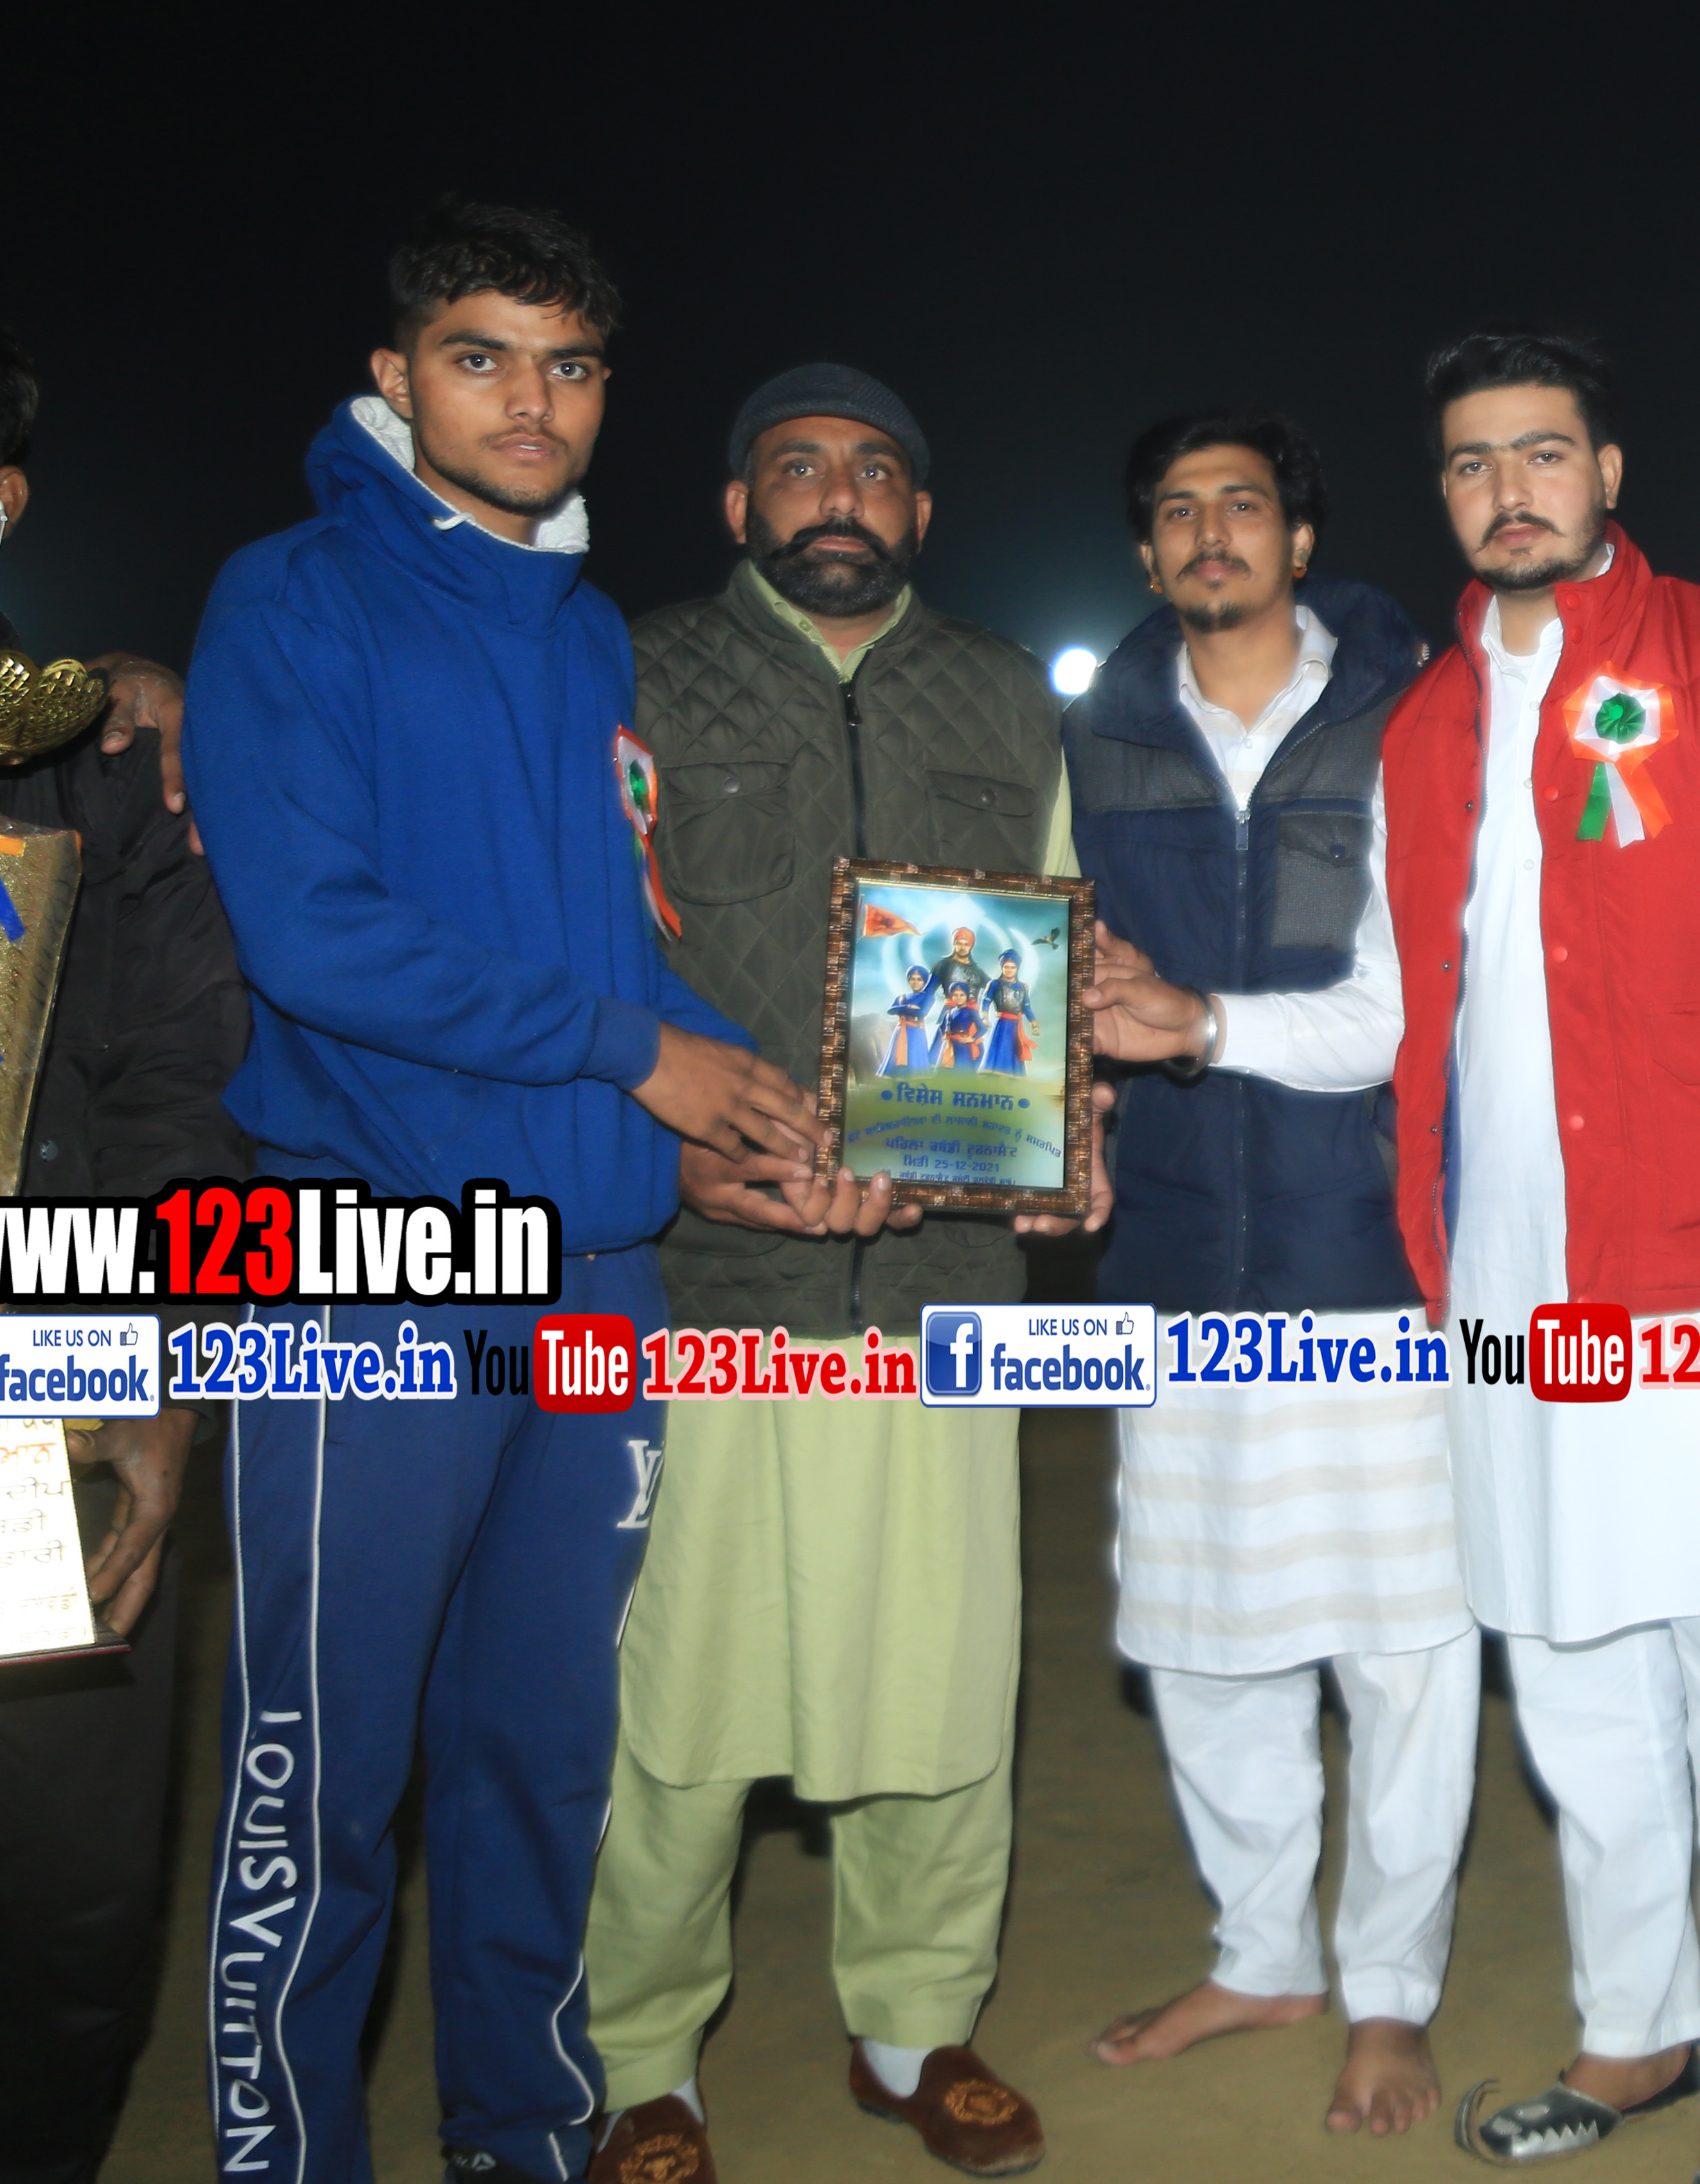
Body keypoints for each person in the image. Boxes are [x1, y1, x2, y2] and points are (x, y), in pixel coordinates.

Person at [183, 200, 814, 2184]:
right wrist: (637, 1054)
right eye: (482, 356)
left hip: (594, 1277)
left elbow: (621, 941)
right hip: (374, 1262)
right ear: (396, 376)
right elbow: (315, 936)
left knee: (540, 1765)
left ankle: (522, 2140)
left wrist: (751, 1102)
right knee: (325, 1779)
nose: (532, 400)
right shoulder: (293, 599)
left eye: (570, 365)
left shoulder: (587, 631)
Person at [1382, 327, 1700, 2184]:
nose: (1506, 488)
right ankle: (1636, 2024)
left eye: (1542, 452)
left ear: (1607, 473)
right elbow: (1397, 1003)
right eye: (1470, 460)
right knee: (1572, 1669)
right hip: (1509, 1288)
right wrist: (1187, 1022)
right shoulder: (1425, 723)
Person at [582, 363, 1095, 2184]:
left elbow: (1048, 943)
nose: (837, 494)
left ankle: (914, 2024)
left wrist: (1058, 1126)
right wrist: (659, 1141)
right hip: (711, 1276)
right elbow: (586, 947)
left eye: (874, 469)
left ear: (919, 511)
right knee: (679, 1694)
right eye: (795, 467)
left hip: (939, 1287)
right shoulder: (632, 670)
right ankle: (641, 2057)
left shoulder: (1002, 688)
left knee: (941, 1679)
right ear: (740, 505)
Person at [1064, 407, 1472, 2137]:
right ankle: (1260, 1953)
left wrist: (1198, 1024)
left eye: (1243, 503)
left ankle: (1387, 1986)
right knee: (1203, 1632)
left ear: (1300, 540)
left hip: (1364, 1249)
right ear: (1146, 550)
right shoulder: (1094, 733)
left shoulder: (1410, 712)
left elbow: (1408, 1009)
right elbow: (1042, 961)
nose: (1210, 530)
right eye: (1178, 509)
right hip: (1169, 1251)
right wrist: (1063, 1115)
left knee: (1402, 1645)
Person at [0, 293, 250, 2184]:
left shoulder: (106, 762)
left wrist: (153, 1377)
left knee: (65, 1929)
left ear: (5, 493)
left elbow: (175, 1090)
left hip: (18, 1414)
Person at [884, 962, 937, 1073]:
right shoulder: (902, 998)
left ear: (925, 981)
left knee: (914, 1058)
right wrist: (907, 1007)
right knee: (897, 1056)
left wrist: (901, 1010)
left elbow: (922, 1013)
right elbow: (891, 1010)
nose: (916, 982)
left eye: (919, 979)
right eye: (912, 979)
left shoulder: (928, 997)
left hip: (916, 1032)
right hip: (900, 1031)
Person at [985, 951, 1031, 1072]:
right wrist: (984, 1017)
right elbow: (986, 1001)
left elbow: (1027, 1007)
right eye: (1006, 967)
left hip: (1016, 1025)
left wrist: (1034, 1024)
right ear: (1002, 967)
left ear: (1017, 968)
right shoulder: (995, 984)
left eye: (1013, 967)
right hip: (1002, 1023)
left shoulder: (1022, 987)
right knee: (1000, 1049)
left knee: (1015, 1051)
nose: (1009, 970)